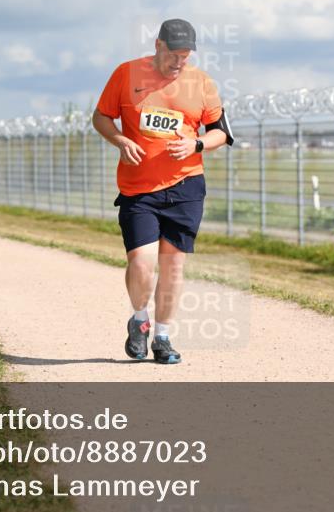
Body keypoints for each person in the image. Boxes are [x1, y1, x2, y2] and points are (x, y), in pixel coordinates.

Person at [92, 18, 233, 365]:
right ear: (158, 46)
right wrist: (120, 139)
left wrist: (197, 144)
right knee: (141, 263)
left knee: (172, 266)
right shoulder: (126, 74)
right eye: (174, 54)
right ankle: (139, 319)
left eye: (185, 56)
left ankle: (163, 337)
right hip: (139, 189)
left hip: (186, 186)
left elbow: (222, 133)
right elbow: (100, 117)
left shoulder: (201, 83)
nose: (179, 62)